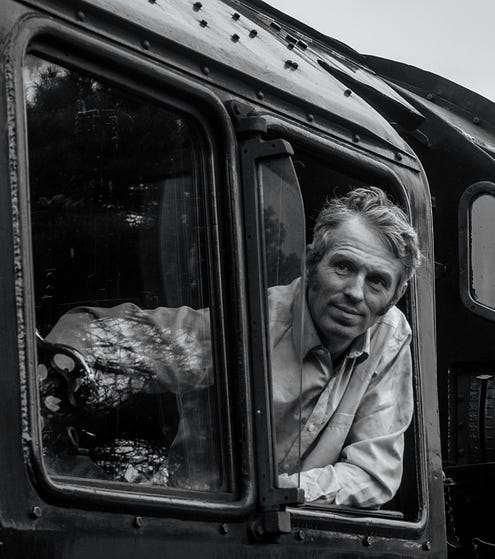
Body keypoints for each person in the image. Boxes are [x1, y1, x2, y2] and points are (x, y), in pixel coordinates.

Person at [45, 186, 422, 508]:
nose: (355, 292)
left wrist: (283, 491)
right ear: (311, 263)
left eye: (376, 281)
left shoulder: (390, 336)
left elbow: (374, 472)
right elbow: (101, 336)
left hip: (289, 533)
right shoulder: (249, 323)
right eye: (343, 267)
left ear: (395, 295)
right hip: (205, 516)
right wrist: (56, 378)